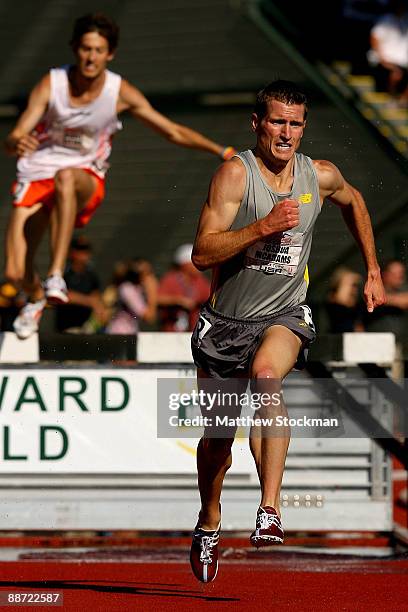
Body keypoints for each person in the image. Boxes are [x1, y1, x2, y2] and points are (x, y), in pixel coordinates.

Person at [188, 80, 386, 583]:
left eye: (295, 123)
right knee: (217, 444)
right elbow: (202, 254)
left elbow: (355, 201)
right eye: (278, 121)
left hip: (285, 313)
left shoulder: (318, 175)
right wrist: (261, 227)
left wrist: (374, 269)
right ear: (257, 123)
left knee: (269, 376)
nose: (287, 133)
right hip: (226, 325)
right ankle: (209, 520)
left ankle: (270, 509)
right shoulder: (235, 176)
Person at [2, 12, 237, 338]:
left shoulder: (118, 92)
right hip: (37, 171)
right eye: (85, 49)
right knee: (14, 272)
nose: (91, 57)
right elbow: (15, 136)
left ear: (109, 53)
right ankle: (38, 296)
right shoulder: (52, 83)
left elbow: (171, 130)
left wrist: (220, 150)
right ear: (75, 49)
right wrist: (17, 141)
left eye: (98, 50)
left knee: (67, 177)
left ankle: (56, 275)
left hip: (83, 175)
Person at [54, 235, 107, 335]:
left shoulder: (91, 276)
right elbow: (62, 295)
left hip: (86, 330)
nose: (84, 254)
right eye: (80, 250)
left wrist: (101, 310)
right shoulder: (64, 272)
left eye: (86, 250)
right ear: (72, 252)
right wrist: (88, 301)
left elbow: (96, 298)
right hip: (66, 329)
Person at [157, 243, 211, 332]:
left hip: (194, 333)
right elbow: (158, 299)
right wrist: (178, 301)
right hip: (171, 333)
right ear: (184, 264)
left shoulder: (200, 281)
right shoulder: (171, 279)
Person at [368, 0, 408, 104]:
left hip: (401, 62)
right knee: (396, 73)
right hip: (384, 61)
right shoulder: (386, 20)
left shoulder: (405, 20)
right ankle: (391, 98)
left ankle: (403, 101)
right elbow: (374, 38)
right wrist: (382, 59)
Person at [105, 258, 158, 334]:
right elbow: (149, 317)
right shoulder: (127, 289)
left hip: (130, 332)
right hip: (120, 333)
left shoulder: (138, 289)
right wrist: (152, 291)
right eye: (148, 273)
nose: (151, 277)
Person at [324, 266, 365, 332]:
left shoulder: (357, 302)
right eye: (350, 285)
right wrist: (348, 279)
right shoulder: (333, 297)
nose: (353, 289)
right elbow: (341, 300)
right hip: (338, 335)